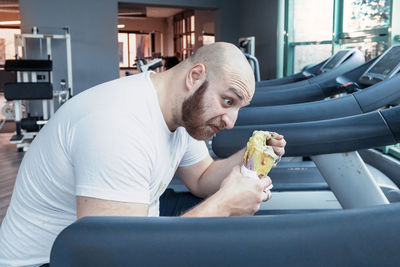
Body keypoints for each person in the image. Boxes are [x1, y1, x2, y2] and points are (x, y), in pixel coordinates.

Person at [0, 42, 286, 267]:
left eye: (237, 108)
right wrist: (224, 205)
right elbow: (116, 255)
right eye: (227, 101)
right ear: (195, 76)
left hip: (112, 238)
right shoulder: (119, 124)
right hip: (49, 260)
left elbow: (201, 178)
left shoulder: (183, 115)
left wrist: (252, 157)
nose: (231, 121)